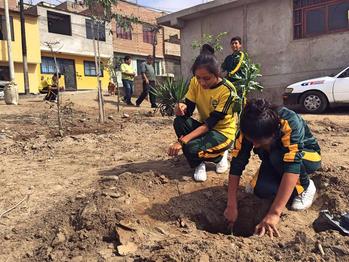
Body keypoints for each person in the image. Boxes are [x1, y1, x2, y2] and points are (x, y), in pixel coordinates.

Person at [224, 99, 321, 238]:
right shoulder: (248, 126)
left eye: (260, 141)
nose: (255, 146)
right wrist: (231, 204)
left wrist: (274, 213)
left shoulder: (289, 122)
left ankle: (306, 186)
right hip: (273, 157)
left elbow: (293, 164)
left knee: (278, 156)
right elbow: (237, 163)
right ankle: (273, 174)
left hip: (308, 156)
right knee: (262, 191)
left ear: (274, 133)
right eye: (252, 141)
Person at [168, 45, 238, 182]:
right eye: (198, 78)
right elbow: (188, 110)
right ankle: (199, 163)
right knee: (179, 121)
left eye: (206, 78)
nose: (201, 82)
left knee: (190, 146)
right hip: (205, 127)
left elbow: (210, 124)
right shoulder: (195, 82)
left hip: (222, 132)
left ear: (216, 73)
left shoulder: (227, 91)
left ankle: (220, 155)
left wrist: (182, 141)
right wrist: (181, 108)